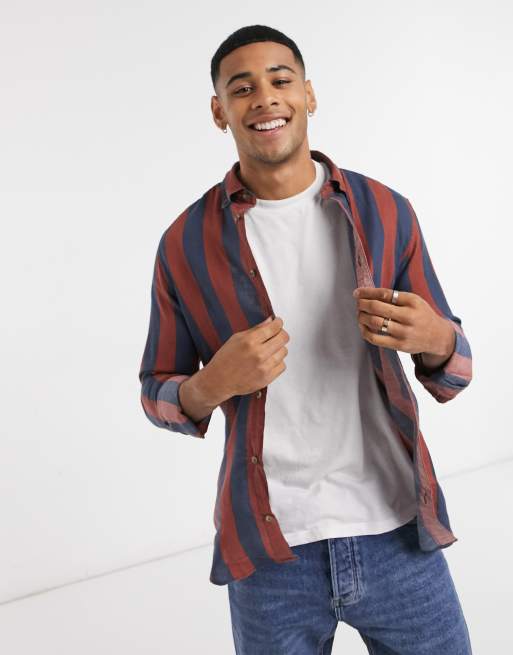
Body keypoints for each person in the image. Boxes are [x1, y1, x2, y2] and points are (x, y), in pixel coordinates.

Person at [138, 24, 473, 655]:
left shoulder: (386, 210)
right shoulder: (184, 243)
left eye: (280, 79)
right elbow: (157, 391)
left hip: (398, 530)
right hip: (270, 553)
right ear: (219, 111)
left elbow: (455, 367)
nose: (264, 97)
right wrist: (212, 384)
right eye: (242, 88)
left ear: (309, 94)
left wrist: (434, 336)